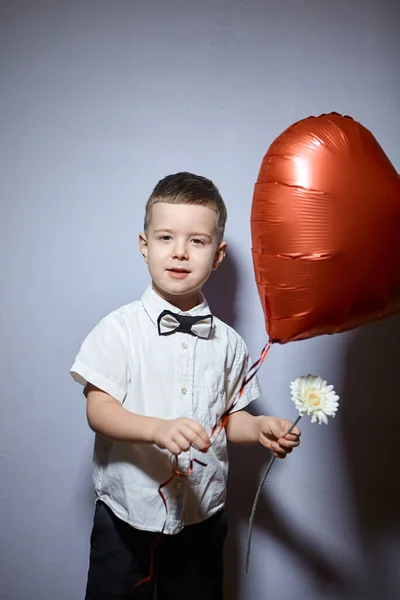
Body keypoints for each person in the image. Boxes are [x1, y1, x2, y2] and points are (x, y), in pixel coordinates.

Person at [70, 172, 301, 600]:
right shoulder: (118, 330)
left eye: (197, 241)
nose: (179, 252)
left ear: (217, 255)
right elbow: (98, 410)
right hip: (127, 516)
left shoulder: (230, 343)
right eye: (165, 238)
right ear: (144, 246)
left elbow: (227, 419)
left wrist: (258, 427)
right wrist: (157, 429)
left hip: (202, 518)